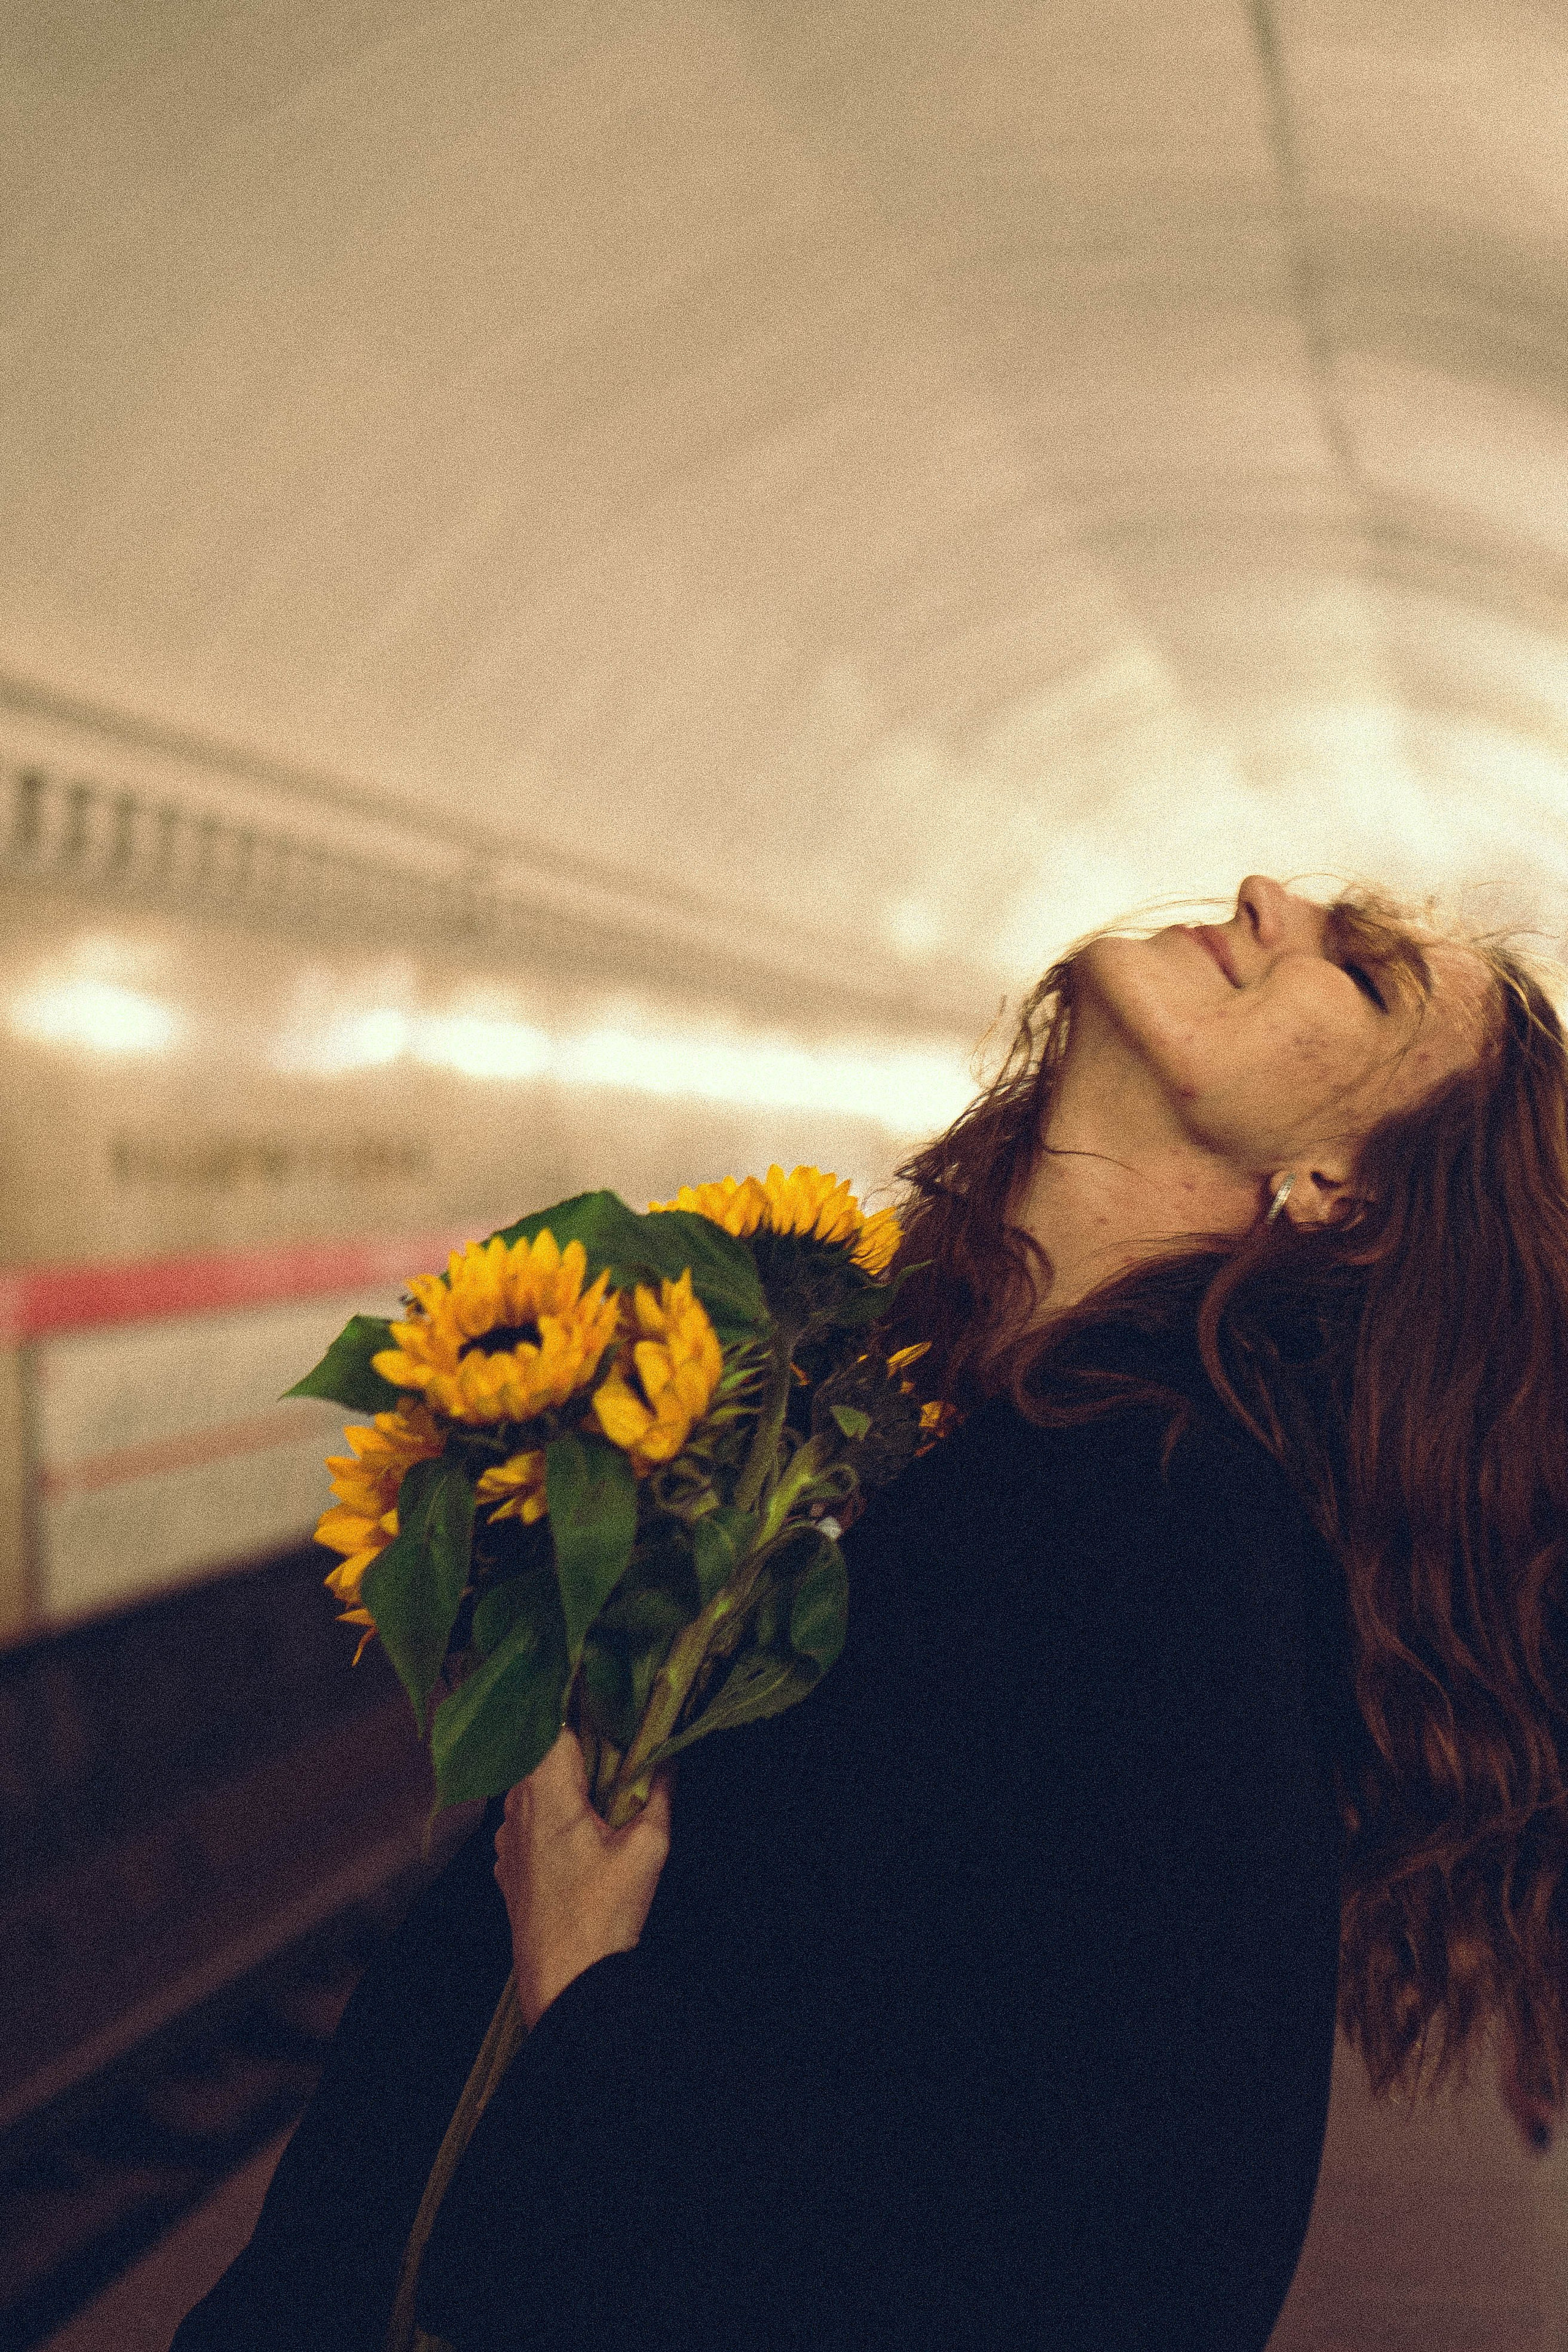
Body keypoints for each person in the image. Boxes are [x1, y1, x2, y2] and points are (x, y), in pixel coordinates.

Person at [171, 872, 1568, 2352]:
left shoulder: (1169, 1529)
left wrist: (584, 1988)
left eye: (1356, 972)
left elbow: (1142, 2277)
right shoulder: (890, 1409)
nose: (1263, 892)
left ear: (1339, 1187)